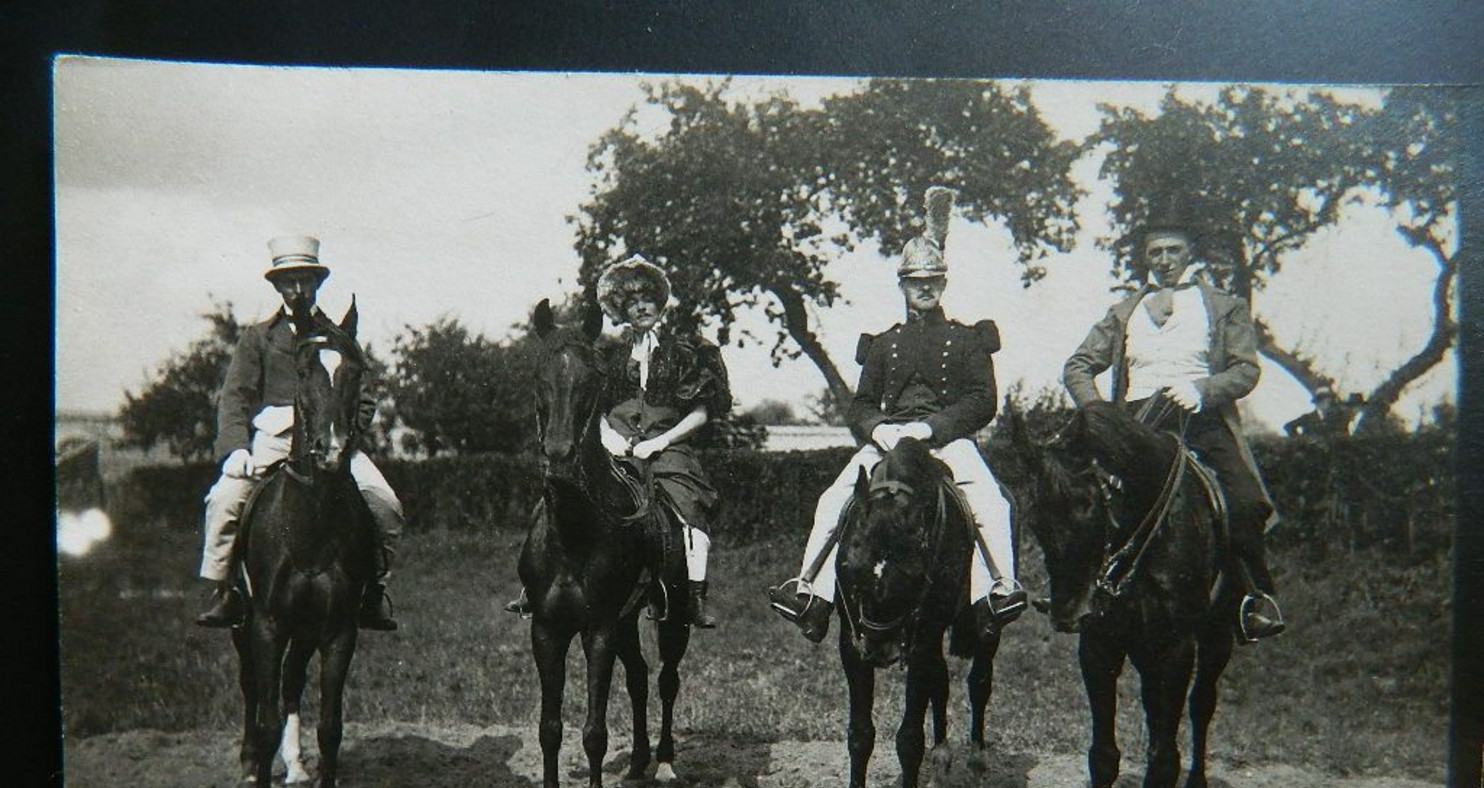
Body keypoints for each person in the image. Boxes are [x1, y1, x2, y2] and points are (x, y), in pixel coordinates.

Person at [768, 186, 1026, 644]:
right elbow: (860, 403)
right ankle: (808, 590)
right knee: (835, 500)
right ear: (902, 285)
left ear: (944, 284)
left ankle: (998, 590)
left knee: (990, 501)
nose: (924, 289)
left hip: (947, 440)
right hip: (889, 439)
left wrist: (936, 427)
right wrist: (878, 429)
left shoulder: (969, 339)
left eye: (932, 281)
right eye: (915, 281)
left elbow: (983, 399)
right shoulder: (884, 343)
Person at [1062, 213, 1285, 642]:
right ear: (1144, 258)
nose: (1164, 260)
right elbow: (1077, 366)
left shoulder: (1223, 307)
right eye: (1155, 253)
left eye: (1173, 251)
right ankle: (1081, 595)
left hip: (1200, 418)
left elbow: (1245, 370)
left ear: (1190, 254)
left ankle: (1254, 597)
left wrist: (1203, 389)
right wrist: (1100, 417)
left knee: (1244, 499)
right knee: (1083, 501)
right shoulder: (1123, 313)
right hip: (1136, 424)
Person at [506, 254, 731, 627]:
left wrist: (660, 442)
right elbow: (593, 404)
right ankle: (534, 586)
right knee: (556, 498)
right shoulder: (609, 356)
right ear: (622, 310)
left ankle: (693, 597)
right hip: (615, 445)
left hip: (669, 449)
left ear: (660, 303)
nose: (640, 306)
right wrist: (611, 438)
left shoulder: (685, 351)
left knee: (689, 514)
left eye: (647, 298)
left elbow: (702, 412)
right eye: (631, 301)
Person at [195, 236, 403, 630]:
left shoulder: (339, 336)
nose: (297, 290)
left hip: (334, 438)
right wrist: (236, 449)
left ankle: (373, 592)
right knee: (223, 499)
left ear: (317, 283)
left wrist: (346, 433)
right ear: (276, 285)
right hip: (273, 438)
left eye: (305, 280)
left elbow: (364, 396)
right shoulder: (259, 337)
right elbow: (235, 396)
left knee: (386, 503)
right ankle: (226, 591)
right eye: (288, 281)